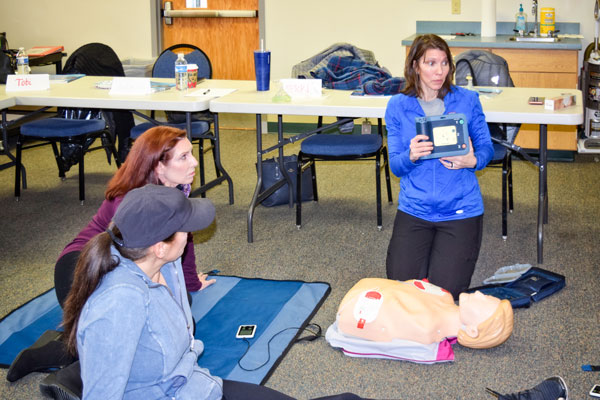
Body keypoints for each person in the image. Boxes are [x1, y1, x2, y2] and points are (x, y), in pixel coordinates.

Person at [40, 185, 368, 400]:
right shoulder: (118, 303)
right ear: (159, 246)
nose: (191, 232)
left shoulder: (164, 264)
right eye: (185, 227)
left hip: (195, 384)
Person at [6, 126, 215, 383]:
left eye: (191, 154)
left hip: (126, 265)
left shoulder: (173, 188)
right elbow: (134, 260)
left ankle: (77, 344)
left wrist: (191, 282)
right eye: (184, 157)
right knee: (152, 328)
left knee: (180, 316)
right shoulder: (133, 200)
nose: (194, 162)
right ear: (159, 167)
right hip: (84, 268)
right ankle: (57, 358)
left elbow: (184, 233)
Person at [384, 34, 494, 299]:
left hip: (460, 209)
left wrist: (473, 161)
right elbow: (396, 167)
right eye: (431, 63)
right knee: (402, 291)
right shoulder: (398, 106)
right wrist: (411, 156)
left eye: (444, 63)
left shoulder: (467, 100)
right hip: (415, 208)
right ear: (415, 66)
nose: (439, 71)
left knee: (444, 295)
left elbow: (486, 148)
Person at [326, 278, 513, 363]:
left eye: (484, 302)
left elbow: (390, 308)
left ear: (472, 330)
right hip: (363, 293)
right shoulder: (444, 296)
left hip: (354, 308)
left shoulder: (426, 328)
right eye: (486, 296)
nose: (479, 293)